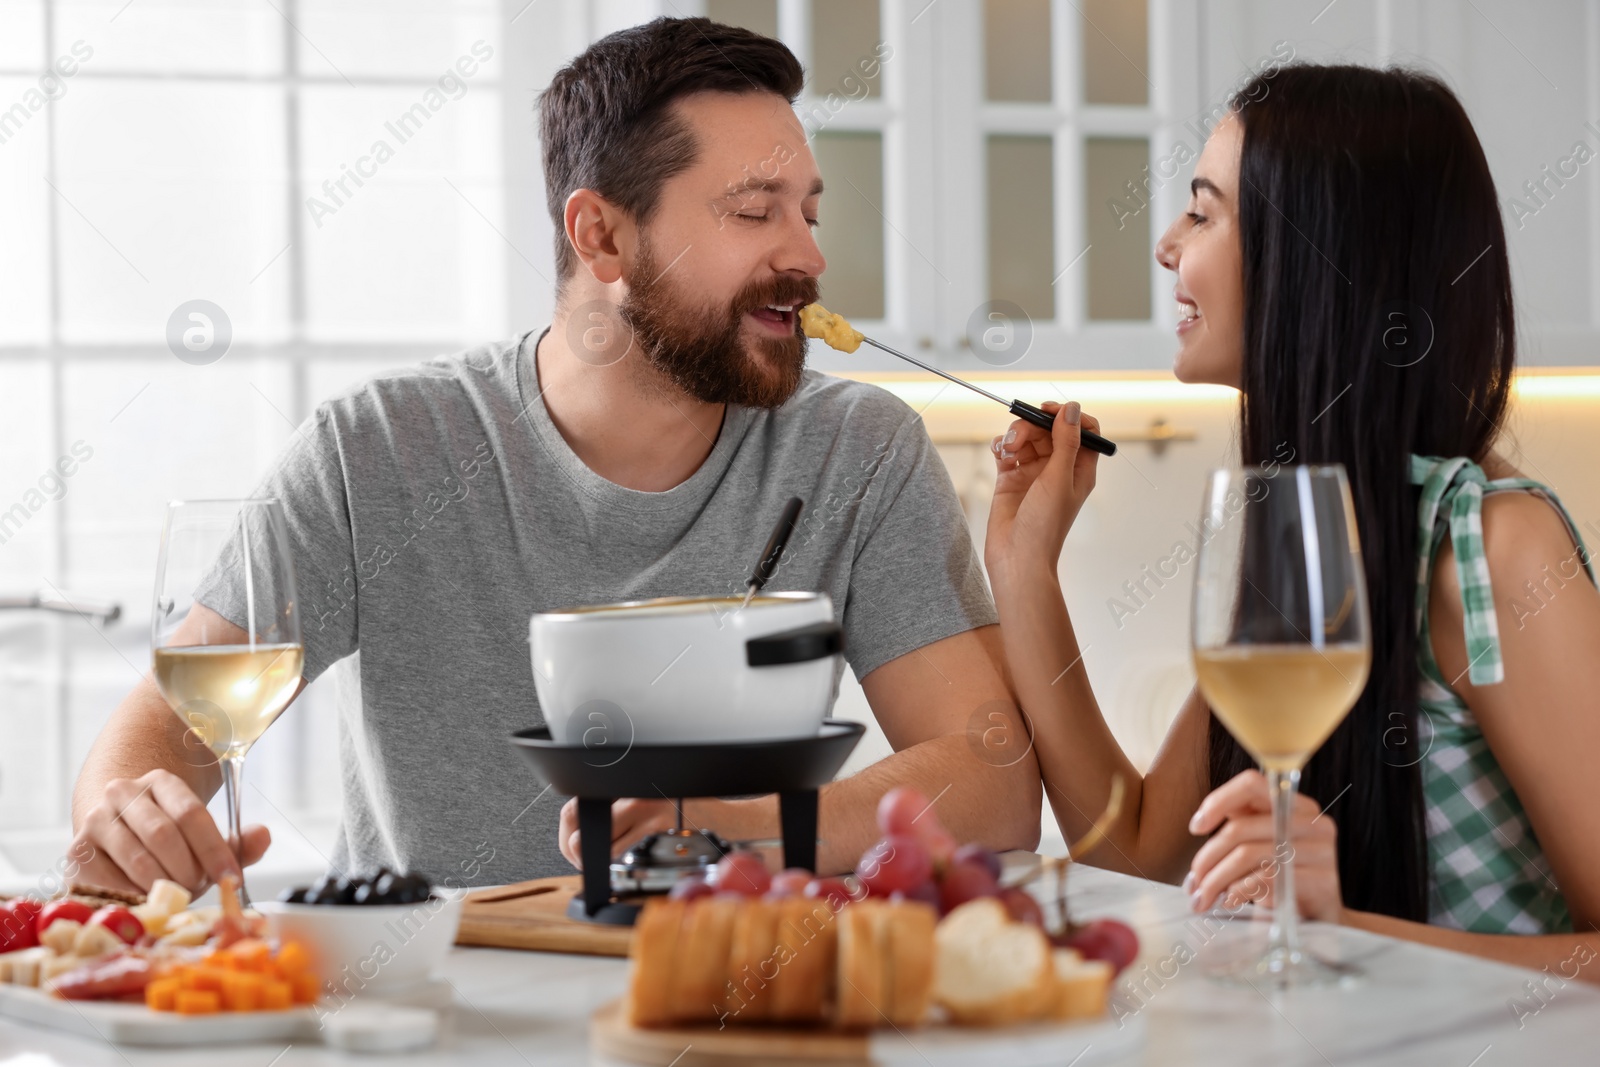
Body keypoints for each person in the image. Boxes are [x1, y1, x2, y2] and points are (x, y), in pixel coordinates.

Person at [70, 18, 1041, 895]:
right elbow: (167, 722)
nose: (807, 256)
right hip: (426, 1014)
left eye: (808, 211)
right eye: (753, 213)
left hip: (724, 1001)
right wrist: (127, 811)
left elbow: (992, 777)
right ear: (601, 235)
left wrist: (729, 832)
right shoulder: (377, 450)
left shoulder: (854, 450)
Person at [984, 64, 1600, 976]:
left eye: (1202, 212)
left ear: (1314, 255)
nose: (1165, 245)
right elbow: (1141, 851)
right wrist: (1024, 567)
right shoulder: (1303, 530)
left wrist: (1342, 923)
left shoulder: (1495, 548)